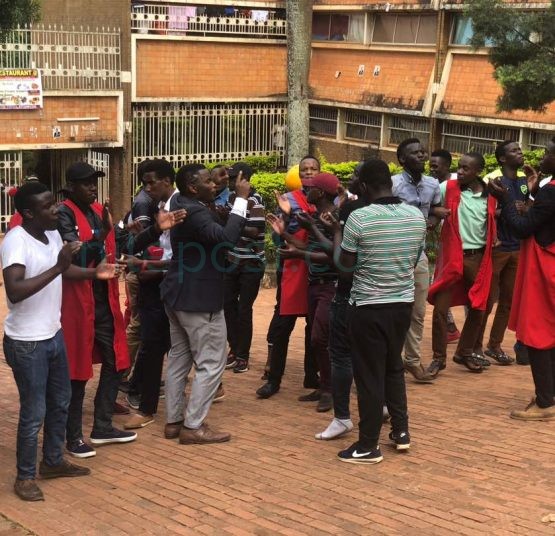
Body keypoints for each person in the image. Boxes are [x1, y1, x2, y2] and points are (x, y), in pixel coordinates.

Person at [1, 182, 104, 501]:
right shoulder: (16, 241)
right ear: (29, 213)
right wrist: (58, 266)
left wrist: (94, 274)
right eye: (47, 206)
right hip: (27, 342)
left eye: (53, 203)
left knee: (60, 402)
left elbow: (64, 271)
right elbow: (15, 291)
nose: (56, 209)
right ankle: (25, 477)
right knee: (34, 412)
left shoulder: (52, 234)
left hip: (53, 334)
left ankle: (53, 461)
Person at [336, 158, 426, 464]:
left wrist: (336, 237)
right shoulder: (415, 215)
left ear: (363, 186)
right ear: (389, 182)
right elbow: (414, 259)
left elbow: (345, 269)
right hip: (402, 305)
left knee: (369, 376)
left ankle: (367, 446)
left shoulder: (359, 218)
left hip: (368, 307)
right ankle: (401, 431)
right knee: (393, 368)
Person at [161, 163, 250, 444]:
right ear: (192, 187)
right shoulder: (196, 211)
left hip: (177, 293)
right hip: (198, 298)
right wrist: (241, 199)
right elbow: (226, 239)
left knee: (179, 360)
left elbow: (210, 219)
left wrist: (219, 189)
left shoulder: (180, 200)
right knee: (211, 362)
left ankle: (174, 422)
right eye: (208, 181)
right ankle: (193, 426)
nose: (214, 185)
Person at [57, 162, 136, 458]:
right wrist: (101, 235)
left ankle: (102, 426)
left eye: (94, 182)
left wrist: (151, 229)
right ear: (71, 186)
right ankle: (73, 436)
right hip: (77, 302)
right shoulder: (63, 214)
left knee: (117, 361)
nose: (93, 187)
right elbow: (74, 256)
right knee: (77, 371)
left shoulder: (96, 211)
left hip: (103, 301)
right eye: (86, 183)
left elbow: (118, 244)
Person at [488, 137, 555, 420]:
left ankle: (545, 402)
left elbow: (522, 228)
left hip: (544, 268)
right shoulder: (547, 191)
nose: (542, 157)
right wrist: (533, 193)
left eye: (548, 153)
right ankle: (550, 395)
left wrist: (505, 199)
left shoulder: (551, 192)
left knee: (537, 332)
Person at [268, 172, 340, 412]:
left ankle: (330, 390)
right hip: (314, 283)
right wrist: (284, 233)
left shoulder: (334, 218)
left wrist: (300, 254)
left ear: (320, 192)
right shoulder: (315, 217)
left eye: (310, 187)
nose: (305, 189)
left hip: (330, 285)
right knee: (317, 338)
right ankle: (324, 386)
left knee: (320, 337)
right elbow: (307, 246)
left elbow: (335, 256)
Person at [122, 159, 186, 429]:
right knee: (153, 345)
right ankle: (147, 405)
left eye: (151, 182)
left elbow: (183, 257)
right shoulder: (157, 207)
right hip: (155, 283)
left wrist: (150, 266)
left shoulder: (181, 207)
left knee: (176, 346)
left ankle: (163, 407)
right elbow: (139, 243)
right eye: (144, 183)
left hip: (171, 284)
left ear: (167, 180)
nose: (147, 188)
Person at [427, 153, 497, 376]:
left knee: (479, 307)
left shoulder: (490, 194)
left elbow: (496, 217)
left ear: (479, 171)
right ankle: (438, 358)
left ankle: (465, 351)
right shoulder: (448, 187)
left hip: (478, 258)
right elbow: (427, 204)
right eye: (459, 167)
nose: (460, 172)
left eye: (466, 168)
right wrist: (435, 212)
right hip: (451, 257)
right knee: (440, 309)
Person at [256, 156, 320, 399]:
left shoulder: (329, 198)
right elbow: (276, 237)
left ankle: (311, 375)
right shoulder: (288, 199)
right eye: (304, 169)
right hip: (293, 267)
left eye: (313, 169)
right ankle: (274, 379)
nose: (309, 172)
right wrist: (285, 216)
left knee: (314, 326)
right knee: (283, 326)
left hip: (318, 268)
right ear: (299, 174)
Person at [315, 167, 366, 438]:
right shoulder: (400, 213)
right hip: (381, 297)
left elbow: (341, 262)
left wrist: (334, 230)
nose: (349, 182)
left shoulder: (351, 211)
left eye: (355, 177)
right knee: (373, 356)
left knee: (343, 355)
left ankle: (343, 416)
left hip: (349, 293)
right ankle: (384, 408)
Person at [475, 141, 532, 365]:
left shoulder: (523, 181)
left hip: (517, 247)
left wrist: (525, 208)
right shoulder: (493, 181)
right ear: (502, 158)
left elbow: (527, 207)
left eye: (519, 149)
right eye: (514, 151)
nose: (520, 153)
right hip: (498, 247)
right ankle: (475, 346)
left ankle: (494, 345)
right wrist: (506, 209)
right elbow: (484, 211)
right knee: (487, 300)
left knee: (508, 300)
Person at [392, 138, 444, 383]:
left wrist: (431, 222)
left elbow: (436, 211)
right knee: (393, 310)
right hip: (393, 256)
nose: (422, 156)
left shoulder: (433, 184)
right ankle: (392, 360)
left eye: (423, 152)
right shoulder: (393, 184)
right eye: (415, 153)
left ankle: (412, 361)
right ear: (402, 159)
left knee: (418, 311)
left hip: (419, 256)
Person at [223, 162, 266, 373]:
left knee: (244, 310)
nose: (230, 181)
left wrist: (231, 223)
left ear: (245, 179)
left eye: (234, 178)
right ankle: (234, 348)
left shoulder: (255, 200)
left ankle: (242, 356)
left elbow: (254, 231)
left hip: (251, 262)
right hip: (232, 260)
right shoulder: (231, 198)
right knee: (227, 306)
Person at [429, 149, 461, 342]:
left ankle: (472, 336)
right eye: (430, 166)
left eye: (436, 166)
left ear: (447, 166)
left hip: (464, 244)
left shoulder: (459, 181)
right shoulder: (433, 185)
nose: (432, 169)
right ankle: (450, 328)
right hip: (442, 243)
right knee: (440, 285)